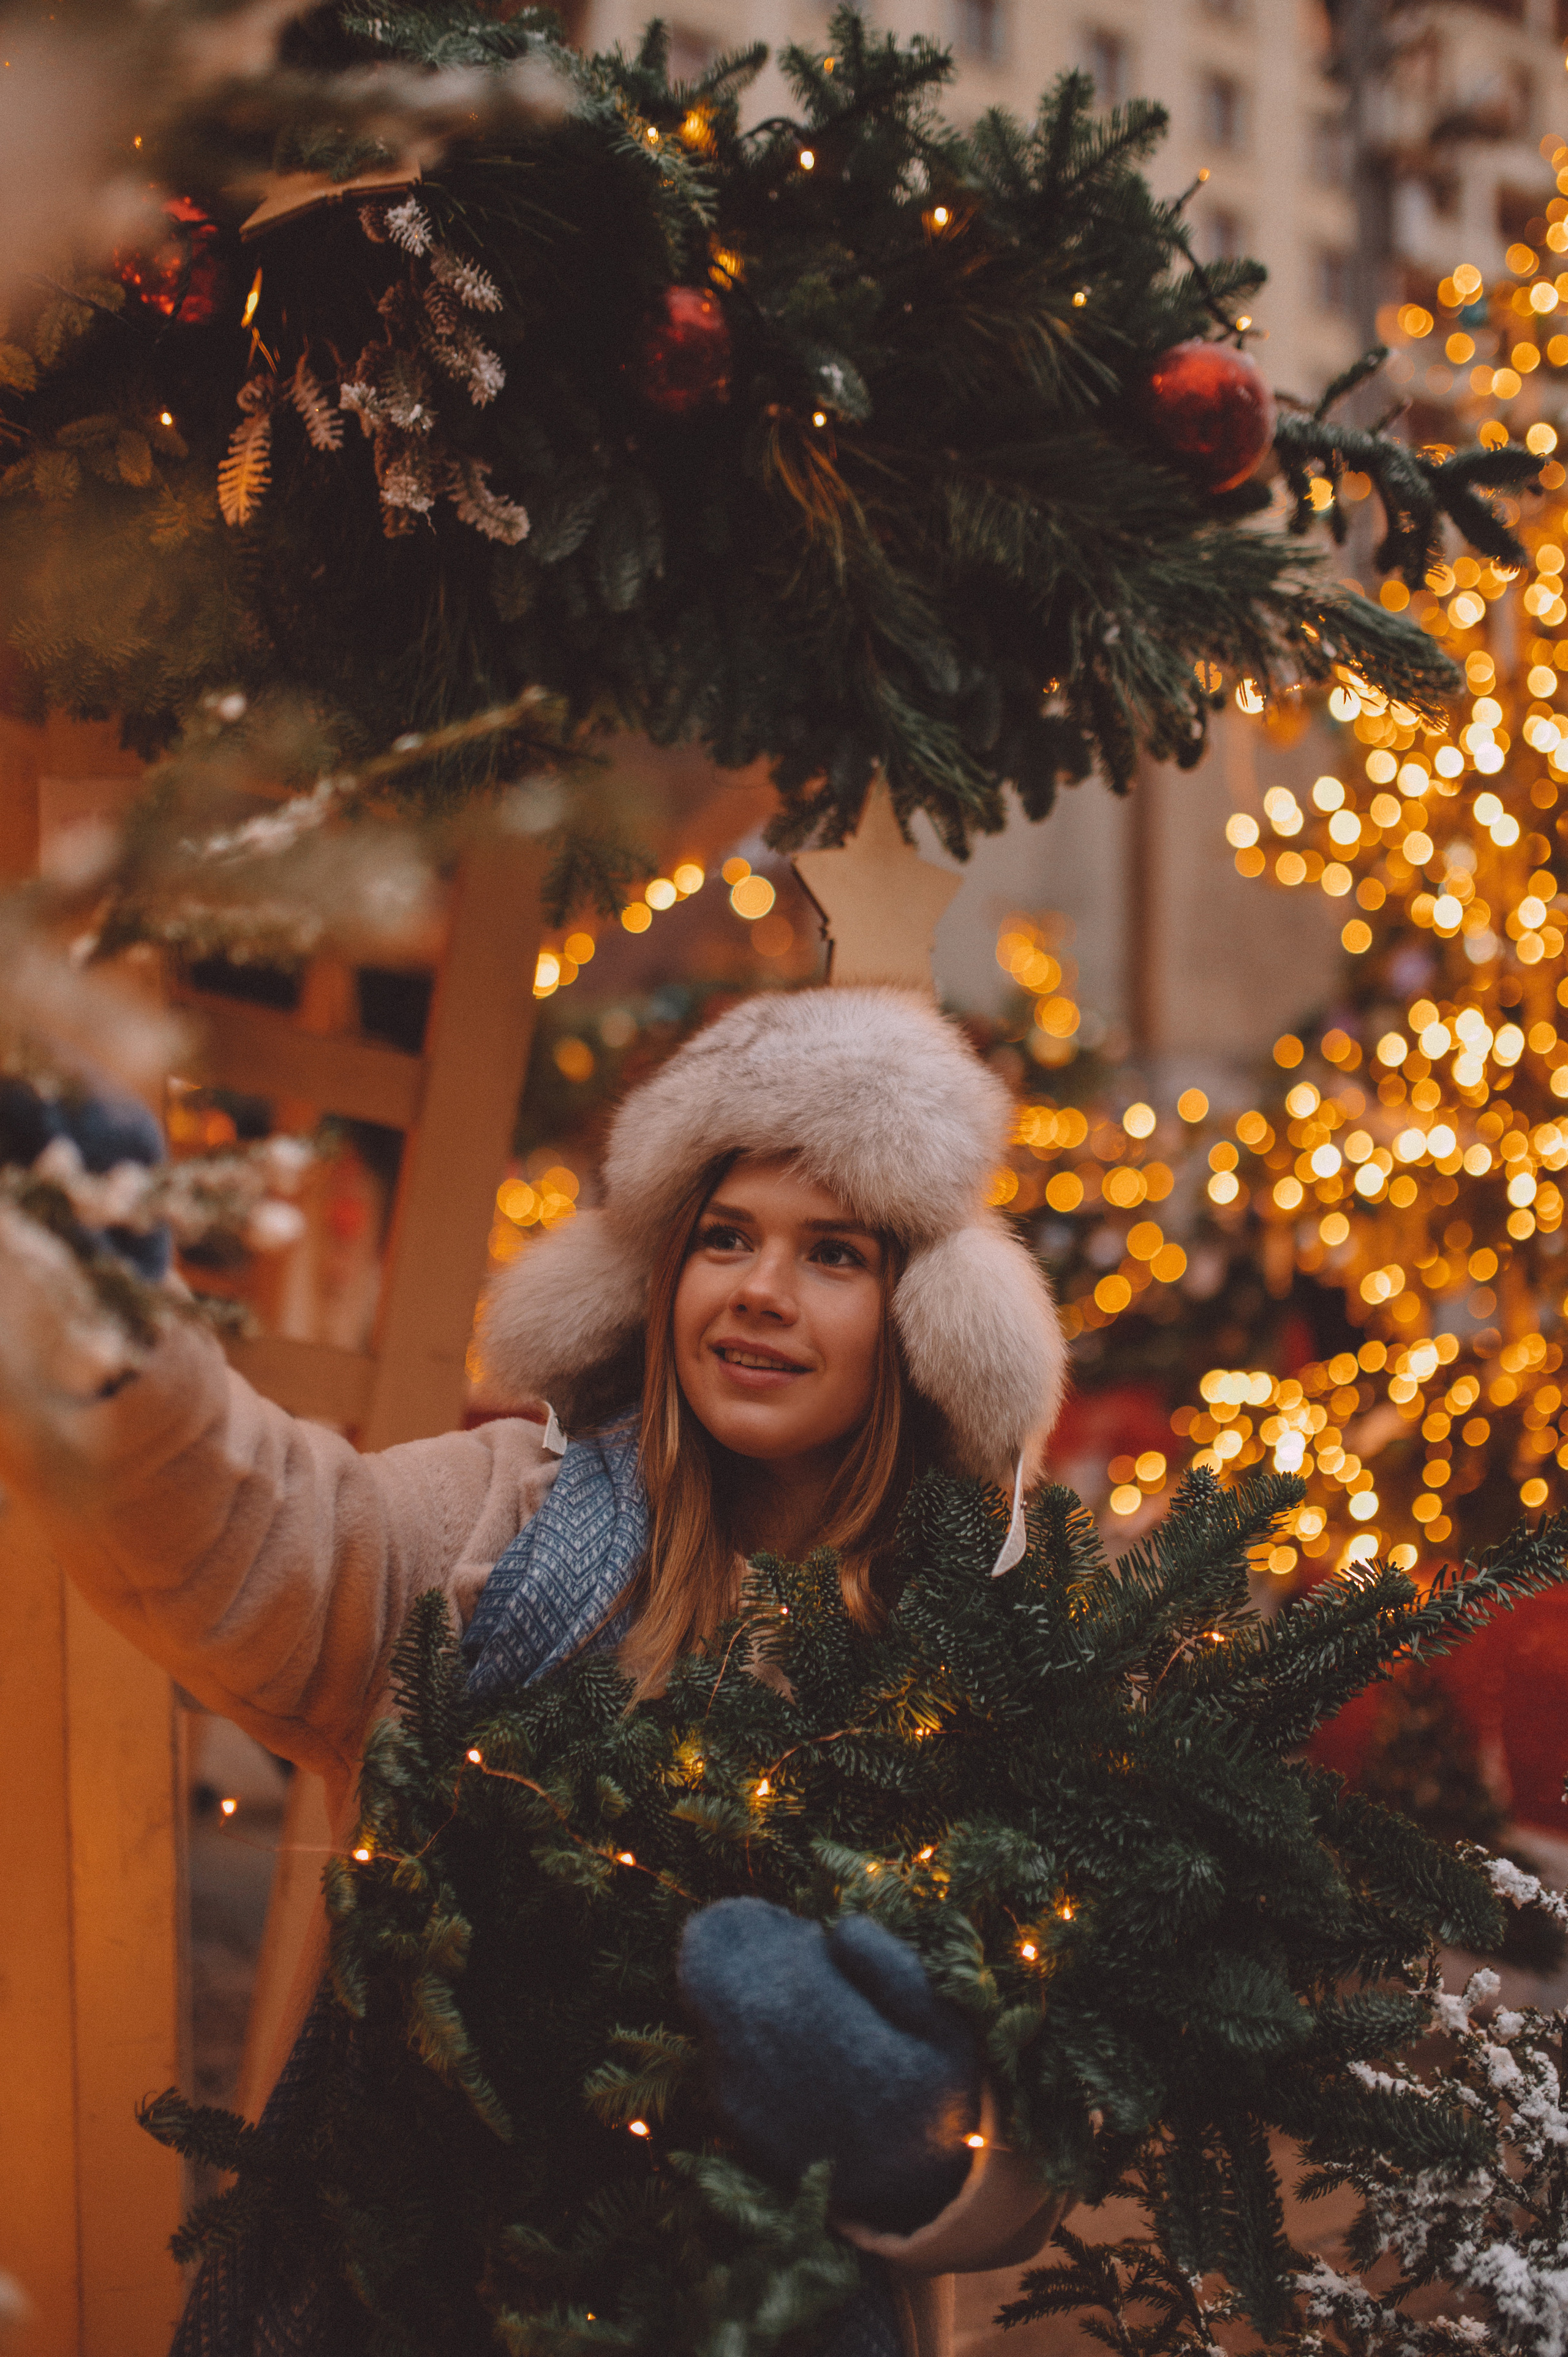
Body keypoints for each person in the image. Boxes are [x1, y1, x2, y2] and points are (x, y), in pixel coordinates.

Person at [0, 985, 1070, 2357]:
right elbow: (249, 1517)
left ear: (918, 1314)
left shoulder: (979, 1642)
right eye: (724, 1237)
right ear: (659, 1272)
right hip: (417, 2298)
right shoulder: (498, 1523)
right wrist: (114, 1340)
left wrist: (924, 2139)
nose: (757, 1288)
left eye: (832, 1255)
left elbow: (1066, 2097)